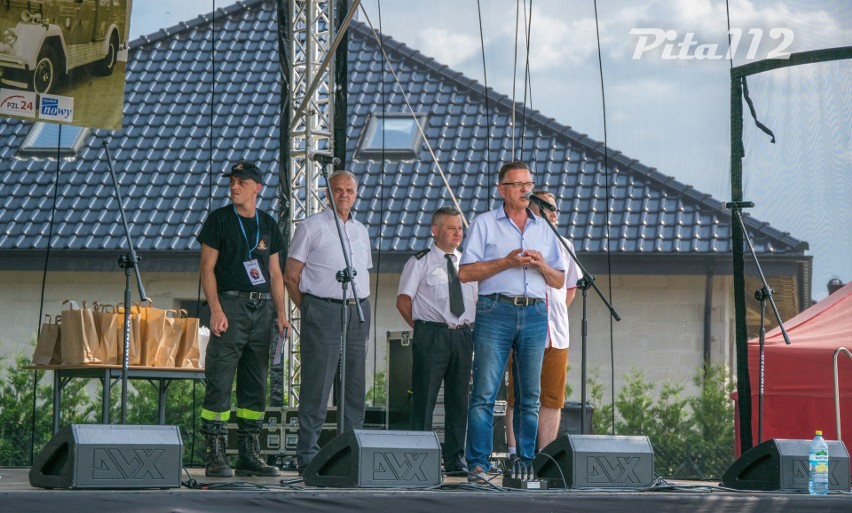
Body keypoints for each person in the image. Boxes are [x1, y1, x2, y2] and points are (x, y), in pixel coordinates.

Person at [459, 161, 565, 481]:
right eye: (517, 184)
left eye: (528, 184)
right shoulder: (485, 223)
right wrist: (506, 262)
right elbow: (465, 272)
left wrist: (543, 266)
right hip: (495, 310)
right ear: (501, 189)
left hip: (534, 312)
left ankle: (526, 462)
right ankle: (477, 463)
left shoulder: (545, 227)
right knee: (486, 393)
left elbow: (559, 280)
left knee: (529, 396)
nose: (524, 190)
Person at [198, 160, 288, 478]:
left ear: (256, 188)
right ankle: (215, 452)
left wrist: (281, 313)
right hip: (230, 305)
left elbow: (276, 274)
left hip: (262, 310)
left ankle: (249, 453)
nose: (234, 186)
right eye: (232, 181)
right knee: (220, 379)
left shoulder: (268, 224)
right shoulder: (219, 220)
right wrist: (216, 310)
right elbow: (206, 268)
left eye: (241, 182)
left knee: (255, 384)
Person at [283, 169, 372, 472]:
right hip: (322, 309)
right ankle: (307, 454)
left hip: (358, 310)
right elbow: (291, 275)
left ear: (356, 195)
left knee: (354, 386)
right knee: (317, 385)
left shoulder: (361, 230)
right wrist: (308, 309)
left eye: (349, 190)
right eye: (338, 190)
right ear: (327, 193)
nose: (344, 195)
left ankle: (349, 452)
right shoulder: (310, 227)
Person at [396, 206, 477, 476]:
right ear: (436, 230)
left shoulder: (467, 263)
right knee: (425, 399)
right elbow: (403, 300)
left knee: (458, 401)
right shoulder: (419, 261)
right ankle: (418, 459)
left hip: (463, 335)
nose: (458, 233)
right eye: (452, 228)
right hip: (431, 334)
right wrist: (422, 329)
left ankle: (455, 461)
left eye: (460, 229)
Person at [505, 190, 582, 457]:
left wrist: (555, 313)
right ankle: (516, 453)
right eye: (548, 207)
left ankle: (545, 455)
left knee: (552, 398)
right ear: (532, 210)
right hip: (523, 329)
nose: (554, 213)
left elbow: (570, 288)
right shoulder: (519, 242)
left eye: (555, 208)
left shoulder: (565, 245)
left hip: (557, 333)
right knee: (519, 395)